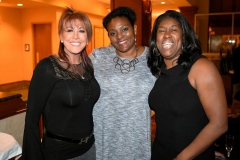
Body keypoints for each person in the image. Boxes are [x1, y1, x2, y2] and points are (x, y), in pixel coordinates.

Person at [147, 10, 228, 160]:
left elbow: (220, 124)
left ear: (184, 37)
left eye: (174, 30)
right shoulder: (159, 72)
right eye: (161, 31)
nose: (166, 35)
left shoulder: (201, 68)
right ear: (155, 39)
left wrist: (183, 157)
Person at [22, 7, 100, 160]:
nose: (76, 36)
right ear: (61, 36)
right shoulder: (47, 68)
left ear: (88, 37)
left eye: (82, 31)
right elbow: (31, 121)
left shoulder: (88, 66)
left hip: (89, 148)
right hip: (59, 153)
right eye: (69, 30)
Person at [89, 6, 156, 160]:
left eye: (124, 29)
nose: (119, 36)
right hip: (103, 142)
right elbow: (75, 78)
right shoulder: (98, 57)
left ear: (135, 28)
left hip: (137, 145)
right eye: (113, 33)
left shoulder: (153, 59)